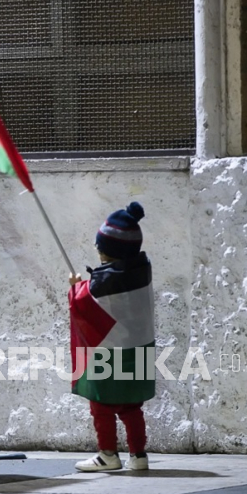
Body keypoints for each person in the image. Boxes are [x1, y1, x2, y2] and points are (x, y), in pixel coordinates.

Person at [68, 202, 155, 472]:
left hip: (109, 352)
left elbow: (85, 305)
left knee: (101, 405)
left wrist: (75, 287)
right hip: (138, 348)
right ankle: (139, 456)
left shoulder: (106, 280)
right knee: (131, 407)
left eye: (100, 246)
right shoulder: (141, 271)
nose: (97, 250)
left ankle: (108, 455)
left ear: (107, 251)